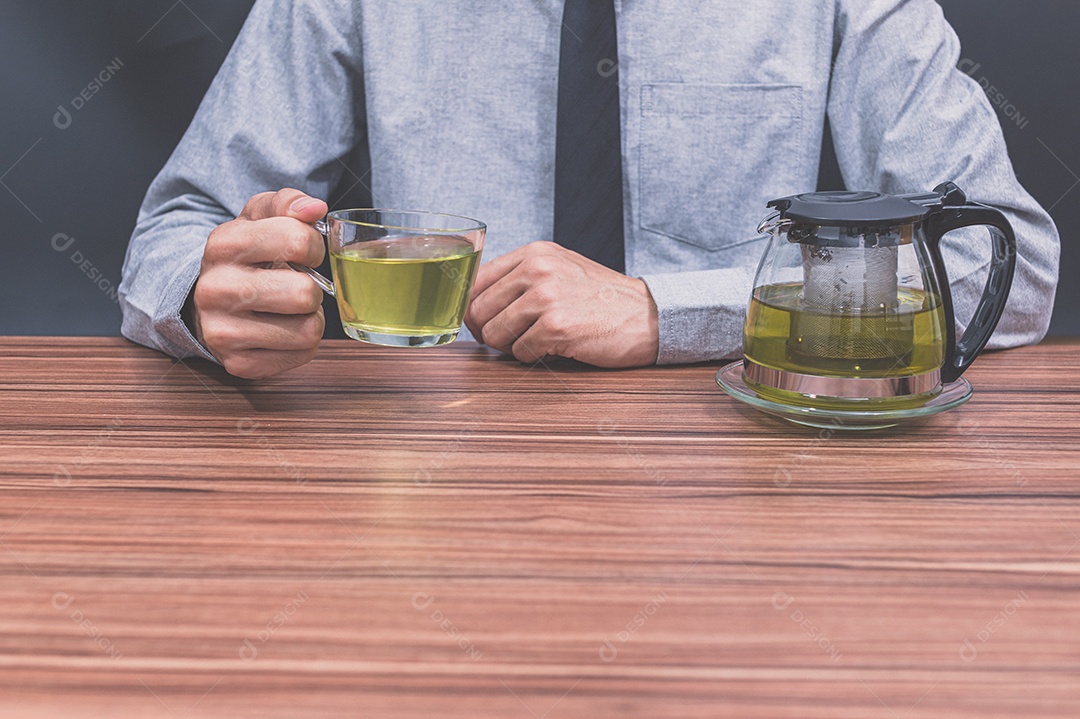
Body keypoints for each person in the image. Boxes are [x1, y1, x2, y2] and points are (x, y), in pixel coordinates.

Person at [119, 0, 1059, 380]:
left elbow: (1005, 266)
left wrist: (672, 311)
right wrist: (213, 301)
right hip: (421, 487)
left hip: (757, 490)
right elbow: (176, 233)